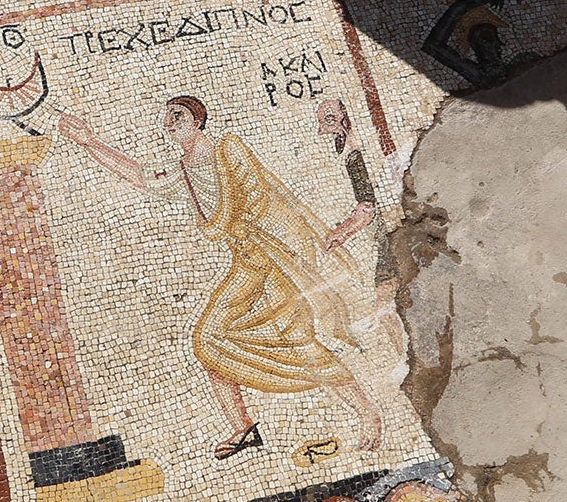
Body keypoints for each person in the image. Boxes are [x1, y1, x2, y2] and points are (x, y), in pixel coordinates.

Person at [57, 94, 384, 459]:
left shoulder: (229, 151)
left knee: (298, 339)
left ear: (197, 120)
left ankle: (368, 413)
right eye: (166, 118)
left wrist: (282, 249)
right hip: (247, 262)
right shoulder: (183, 173)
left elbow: (261, 200)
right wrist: (88, 141)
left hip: (275, 256)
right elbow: (138, 175)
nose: (169, 123)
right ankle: (243, 427)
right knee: (209, 338)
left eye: (177, 115)